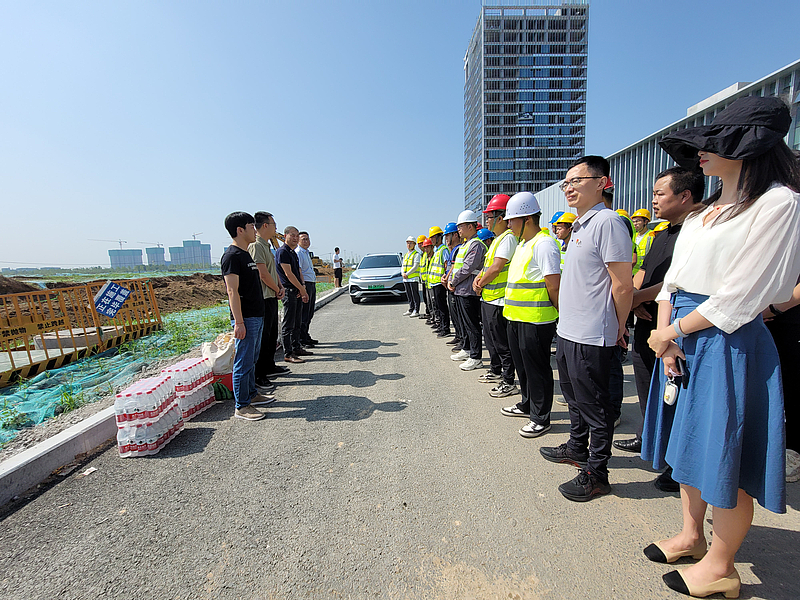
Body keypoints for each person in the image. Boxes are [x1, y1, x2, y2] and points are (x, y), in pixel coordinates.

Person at [642, 96, 800, 598]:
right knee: (689, 445)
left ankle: (721, 564)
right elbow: (671, 284)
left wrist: (671, 333)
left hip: (728, 341)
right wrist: (667, 340)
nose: (701, 153)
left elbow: (741, 297)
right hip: (684, 334)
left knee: (725, 454)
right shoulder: (703, 212)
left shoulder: (778, 203)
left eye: (715, 143)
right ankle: (692, 535)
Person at [540, 155, 633, 502]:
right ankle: (577, 447)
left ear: (601, 183)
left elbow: (622, 284)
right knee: (574, 397)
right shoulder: (580, 226)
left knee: (595, 405)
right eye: (566, 183)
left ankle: (597, 472)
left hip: (592, 333)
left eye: (577, 181)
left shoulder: (608, 222)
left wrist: (619, 326)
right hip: (569, 331)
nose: (569, 188)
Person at [612, 168, 705, 498]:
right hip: (649, 322)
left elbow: (673, 282)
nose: (653, 200)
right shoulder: (661, 232)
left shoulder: (698, 231)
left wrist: (638, 298)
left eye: (659, 194)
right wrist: (635, 298)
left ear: (685, 196)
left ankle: (677, 465)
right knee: (648, 387)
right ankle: (649, 436)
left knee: (677, 394)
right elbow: (644, 271)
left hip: (678, 327)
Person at [500, 192, 561, 437]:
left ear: (527, 219)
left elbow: (553, 285)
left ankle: (541, 417)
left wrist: (561, 313)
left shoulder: (544, 244)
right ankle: (527, 404)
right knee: (523, 367)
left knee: (537, 370)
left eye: (512, 220)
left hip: (536, 320)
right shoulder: (523, 244)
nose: (508, 225)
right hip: (516, 318)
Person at [221, 212, 267, 421]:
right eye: (251, 226)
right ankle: (242, 406)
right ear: (240, 230)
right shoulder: (232, 256)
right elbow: (232, 291)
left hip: (256, 315)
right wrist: (238, 322)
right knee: (243, 360)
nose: (255, 231)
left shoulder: (245, 253)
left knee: (252, 358)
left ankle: (251, 394)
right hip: (245, 317)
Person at [473, 194, 518, 395]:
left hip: (499, 299)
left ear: (501, 218)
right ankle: (496, 370)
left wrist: (480, 282)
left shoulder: (508, 238)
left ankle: (508, 381)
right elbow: (487, 266)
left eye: (489, 217)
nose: (486, 221)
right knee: (491, 340)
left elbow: (497, 267)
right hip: (489, 298)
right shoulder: (497, 240)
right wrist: (478, 279)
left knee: (502, 343)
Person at [763, 281, 800, 483]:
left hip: (789, 316)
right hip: (762, 313)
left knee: (792, 387)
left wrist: (774, 308)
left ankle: (793, 452)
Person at [250, 212, 288, 396]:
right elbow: (262, 274)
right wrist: (276, 288)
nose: (275, 228)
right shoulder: (256, 246)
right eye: (274, 224)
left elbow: (272, 272)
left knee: (272, 334)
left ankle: (270, 366)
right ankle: (260, 374)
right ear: (265, 225)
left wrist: (280, 286)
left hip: (272, 295)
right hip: (264, 297)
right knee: (264, 337)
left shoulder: (267, 245)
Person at [447, 210, 487, 371]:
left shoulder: (476, 244)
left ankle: (476, 357)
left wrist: (453, 280)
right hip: (460, 290)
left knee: (472, 325)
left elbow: (468, 267)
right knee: (464, 324)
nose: (458, 230)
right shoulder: (465, 244)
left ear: (471, 226)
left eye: (461, 226)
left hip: (469, 291)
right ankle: (467, 349)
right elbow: (457, 266)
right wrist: (451, 280)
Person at [277, 226, 310, 363]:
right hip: (289, 291)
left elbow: (298, 272)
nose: (295, 238)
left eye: (297, 235)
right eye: (292, 235)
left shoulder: (292, 253)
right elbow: (288, 274)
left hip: (296, 290)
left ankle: (296, 348)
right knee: (288, 324)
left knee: (297, 322)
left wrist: (302, 287)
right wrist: (302, 290)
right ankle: (288, 353)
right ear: (285, 236)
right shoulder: (282, 252)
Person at [441, 222, 464, 349]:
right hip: (451, 284)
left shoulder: (459, 249)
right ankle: (458, 335)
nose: (446, 238)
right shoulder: (453, 250)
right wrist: (445, 276)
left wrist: (448, 278)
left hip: (456, 286)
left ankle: (462, 339)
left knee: (459, 315)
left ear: (455, 235)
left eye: (447, 235)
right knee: (454, 313)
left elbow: (454, 267)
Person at [297, 231, 319, 347]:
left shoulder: (306, 253)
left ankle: (306, 335)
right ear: (298, 240)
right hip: (305, 284)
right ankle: (302, 338)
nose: (306, 241)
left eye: (307, 239)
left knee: (309, 312)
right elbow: (299, 270)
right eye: (303, 239)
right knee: (304, 312)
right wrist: (302, 287)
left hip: (311, 283)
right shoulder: (298, 253)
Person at [427, 226, 450, 337]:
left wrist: (445, 279)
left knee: (442, 306)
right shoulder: (436, 250)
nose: (431, 240)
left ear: (439, 237)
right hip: (434, 283)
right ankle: (441, 325)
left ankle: (445, 328)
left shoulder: (443, 250)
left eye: (433, 237)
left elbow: (446, 265)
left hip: (440, 283)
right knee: (438, 306)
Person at [401, 236, 421, 317]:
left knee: (414, 295)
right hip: (406, 279)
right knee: (409, 295)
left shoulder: (416, 254)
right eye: (407, 243)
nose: (409, 244)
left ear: (414, 244)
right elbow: (403, 265)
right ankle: (411, 308)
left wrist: (407, 274)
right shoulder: (406, 255)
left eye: (410, 243)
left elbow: (415, 266)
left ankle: (416, 310)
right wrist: (403, 273)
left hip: (413, 278)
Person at [631, 209, 654, 276]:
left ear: (645, 222)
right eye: (633, 221)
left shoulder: (652, 235)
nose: (635, 224)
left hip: (645, 271)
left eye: (638, 221)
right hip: (633, 272)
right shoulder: (633, 236)